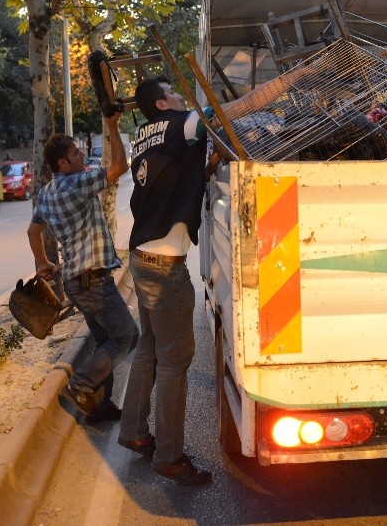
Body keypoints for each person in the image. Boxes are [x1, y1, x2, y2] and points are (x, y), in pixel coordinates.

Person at [117, 75, 223, 487]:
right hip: (164, 267)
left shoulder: (143, 134)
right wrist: (290, 80)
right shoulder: (180, 123)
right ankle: (170, 457)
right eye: (174, 94)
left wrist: (208, 167)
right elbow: (217, 115)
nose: (180, 98)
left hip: (142, 254)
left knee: (150, 349)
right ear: (162, 105)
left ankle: (134, 433)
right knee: (175, 360)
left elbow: (174, 175)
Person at [26, 112, 137, 424]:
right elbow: (119, 167)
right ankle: (82, 384)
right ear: (63, 163)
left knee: (107, 341)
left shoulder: (46, 193)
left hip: (77, 282)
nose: (82, 155)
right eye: (76, 153)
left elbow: (33, 232)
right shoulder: (78, 183)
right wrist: (113, 126)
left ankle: (99, 409)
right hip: (93, 282)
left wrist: (43, 263)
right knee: (127, 336)